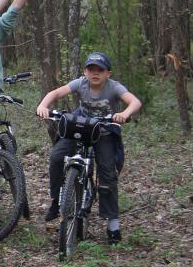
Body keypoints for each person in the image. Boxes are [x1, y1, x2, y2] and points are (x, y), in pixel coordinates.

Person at [35, 53, 142, 242]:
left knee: (107, 173)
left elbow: (135, 102)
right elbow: (56, 93)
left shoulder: (114, 87)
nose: (95, 73)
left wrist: (124, 113)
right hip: (81, 126)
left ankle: (113, 224)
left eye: (99, 70)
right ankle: (56, 199)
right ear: (85, 72)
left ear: (108, 73)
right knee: (57, 157)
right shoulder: (80, 83)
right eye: (91, 69)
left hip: (104, 130)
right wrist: (44, 105)